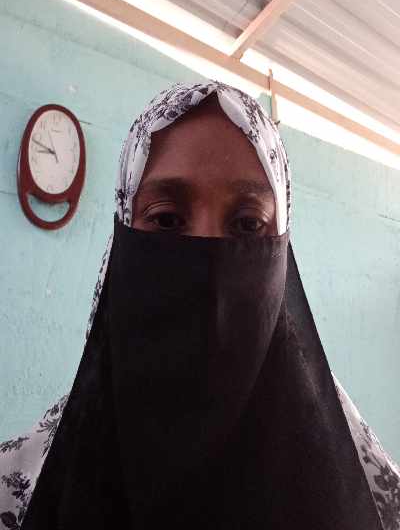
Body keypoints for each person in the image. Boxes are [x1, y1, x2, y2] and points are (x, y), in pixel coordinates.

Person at [0, 81, 398, 529]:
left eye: (248, 225)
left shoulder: (375, 504)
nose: (210, 265)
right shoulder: (17, 495)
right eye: (167, 219)